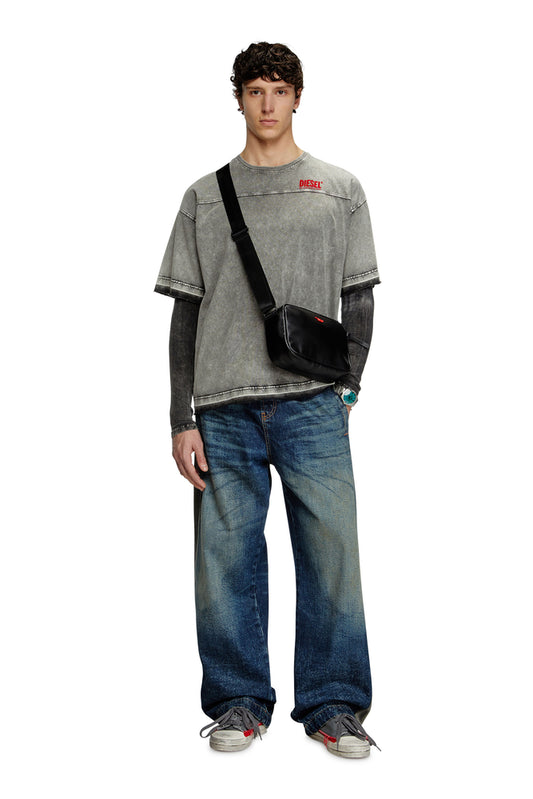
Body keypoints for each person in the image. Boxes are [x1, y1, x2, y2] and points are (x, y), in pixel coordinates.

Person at [154, 42, 381, 758]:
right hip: (222, 408)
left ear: (298, 97)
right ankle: (238, 702)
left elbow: (358, 296)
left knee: (332, 556)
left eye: (280, 90)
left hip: (313, 404)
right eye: (255, 90)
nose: (267, 103)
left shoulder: (338, 188)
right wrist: (181, 417)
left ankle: (334, 705)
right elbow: (185, 313)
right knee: (224, 563)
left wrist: (349, 385)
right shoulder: (204, 195)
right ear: (239, 99)